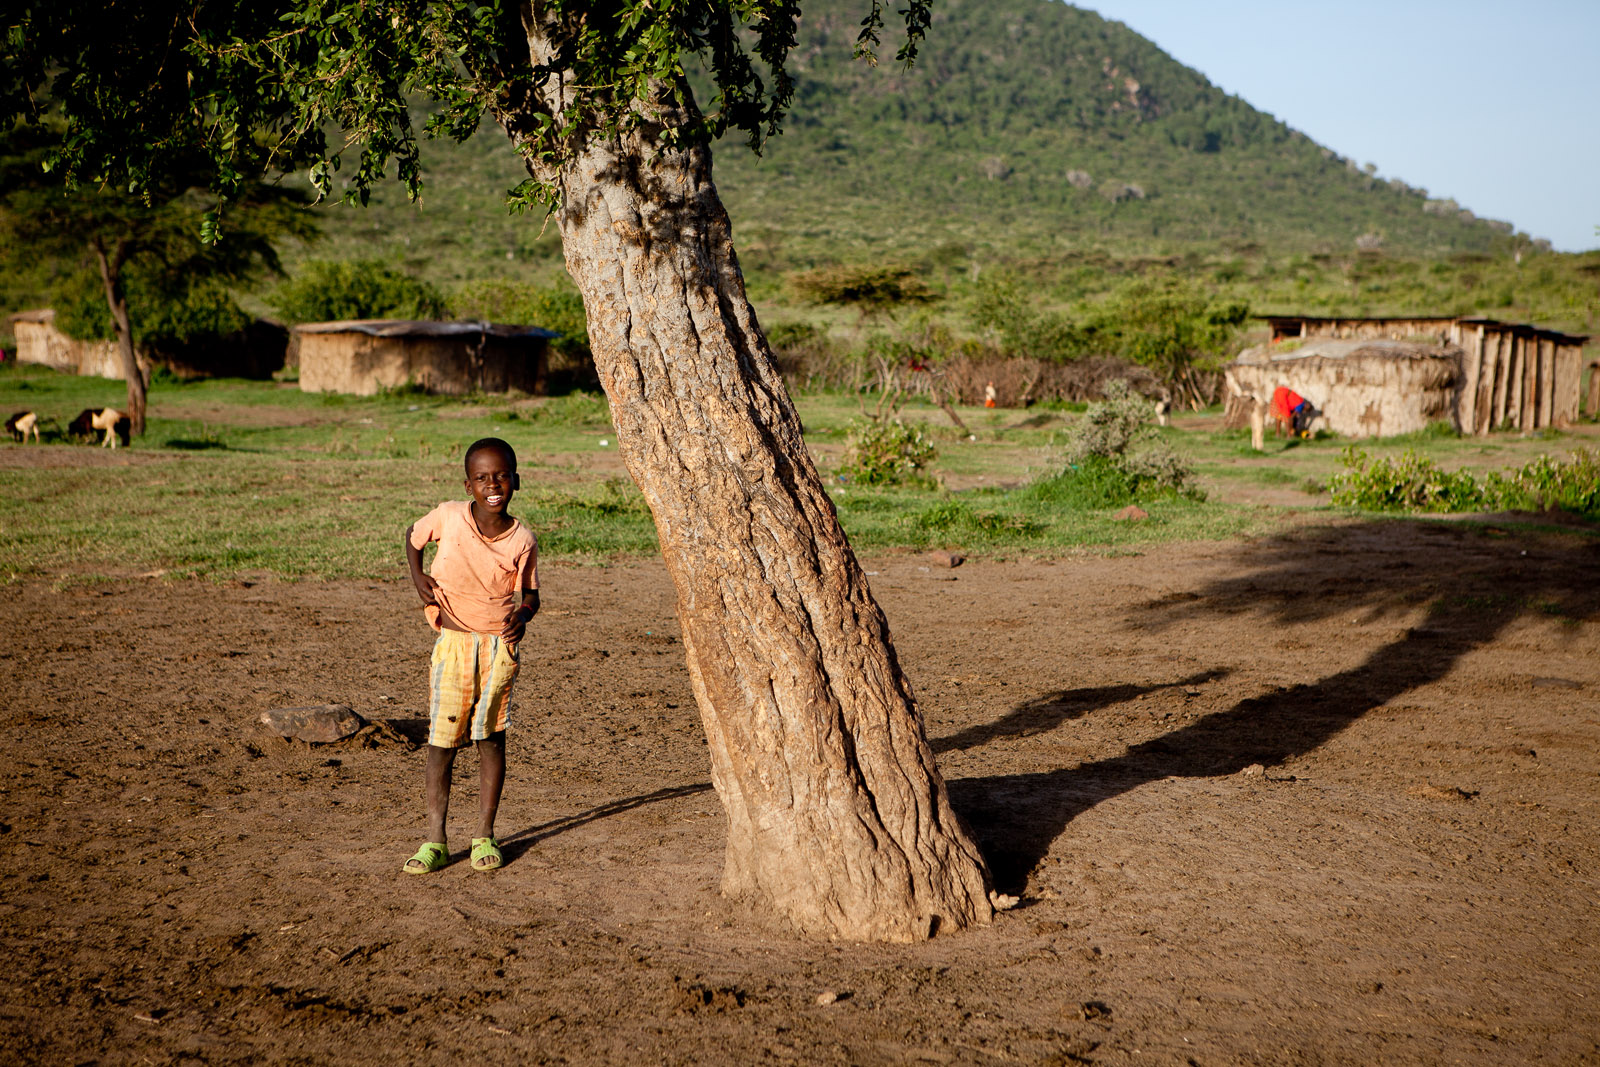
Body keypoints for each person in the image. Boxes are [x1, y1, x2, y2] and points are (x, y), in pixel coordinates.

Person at [401, 437, 539, 874]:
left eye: (501, 476)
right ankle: (435, 840)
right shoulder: (448, 517)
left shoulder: (522, 539)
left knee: (490, 738)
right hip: (454, 646)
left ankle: (484, 835)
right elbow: (413, 536)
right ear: (468, 485)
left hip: (498, 648)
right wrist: (417, 575)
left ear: (516, 480)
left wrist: (524, 614)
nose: (492, 484)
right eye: (482, 478)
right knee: (442, 742)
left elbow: (532, 594)